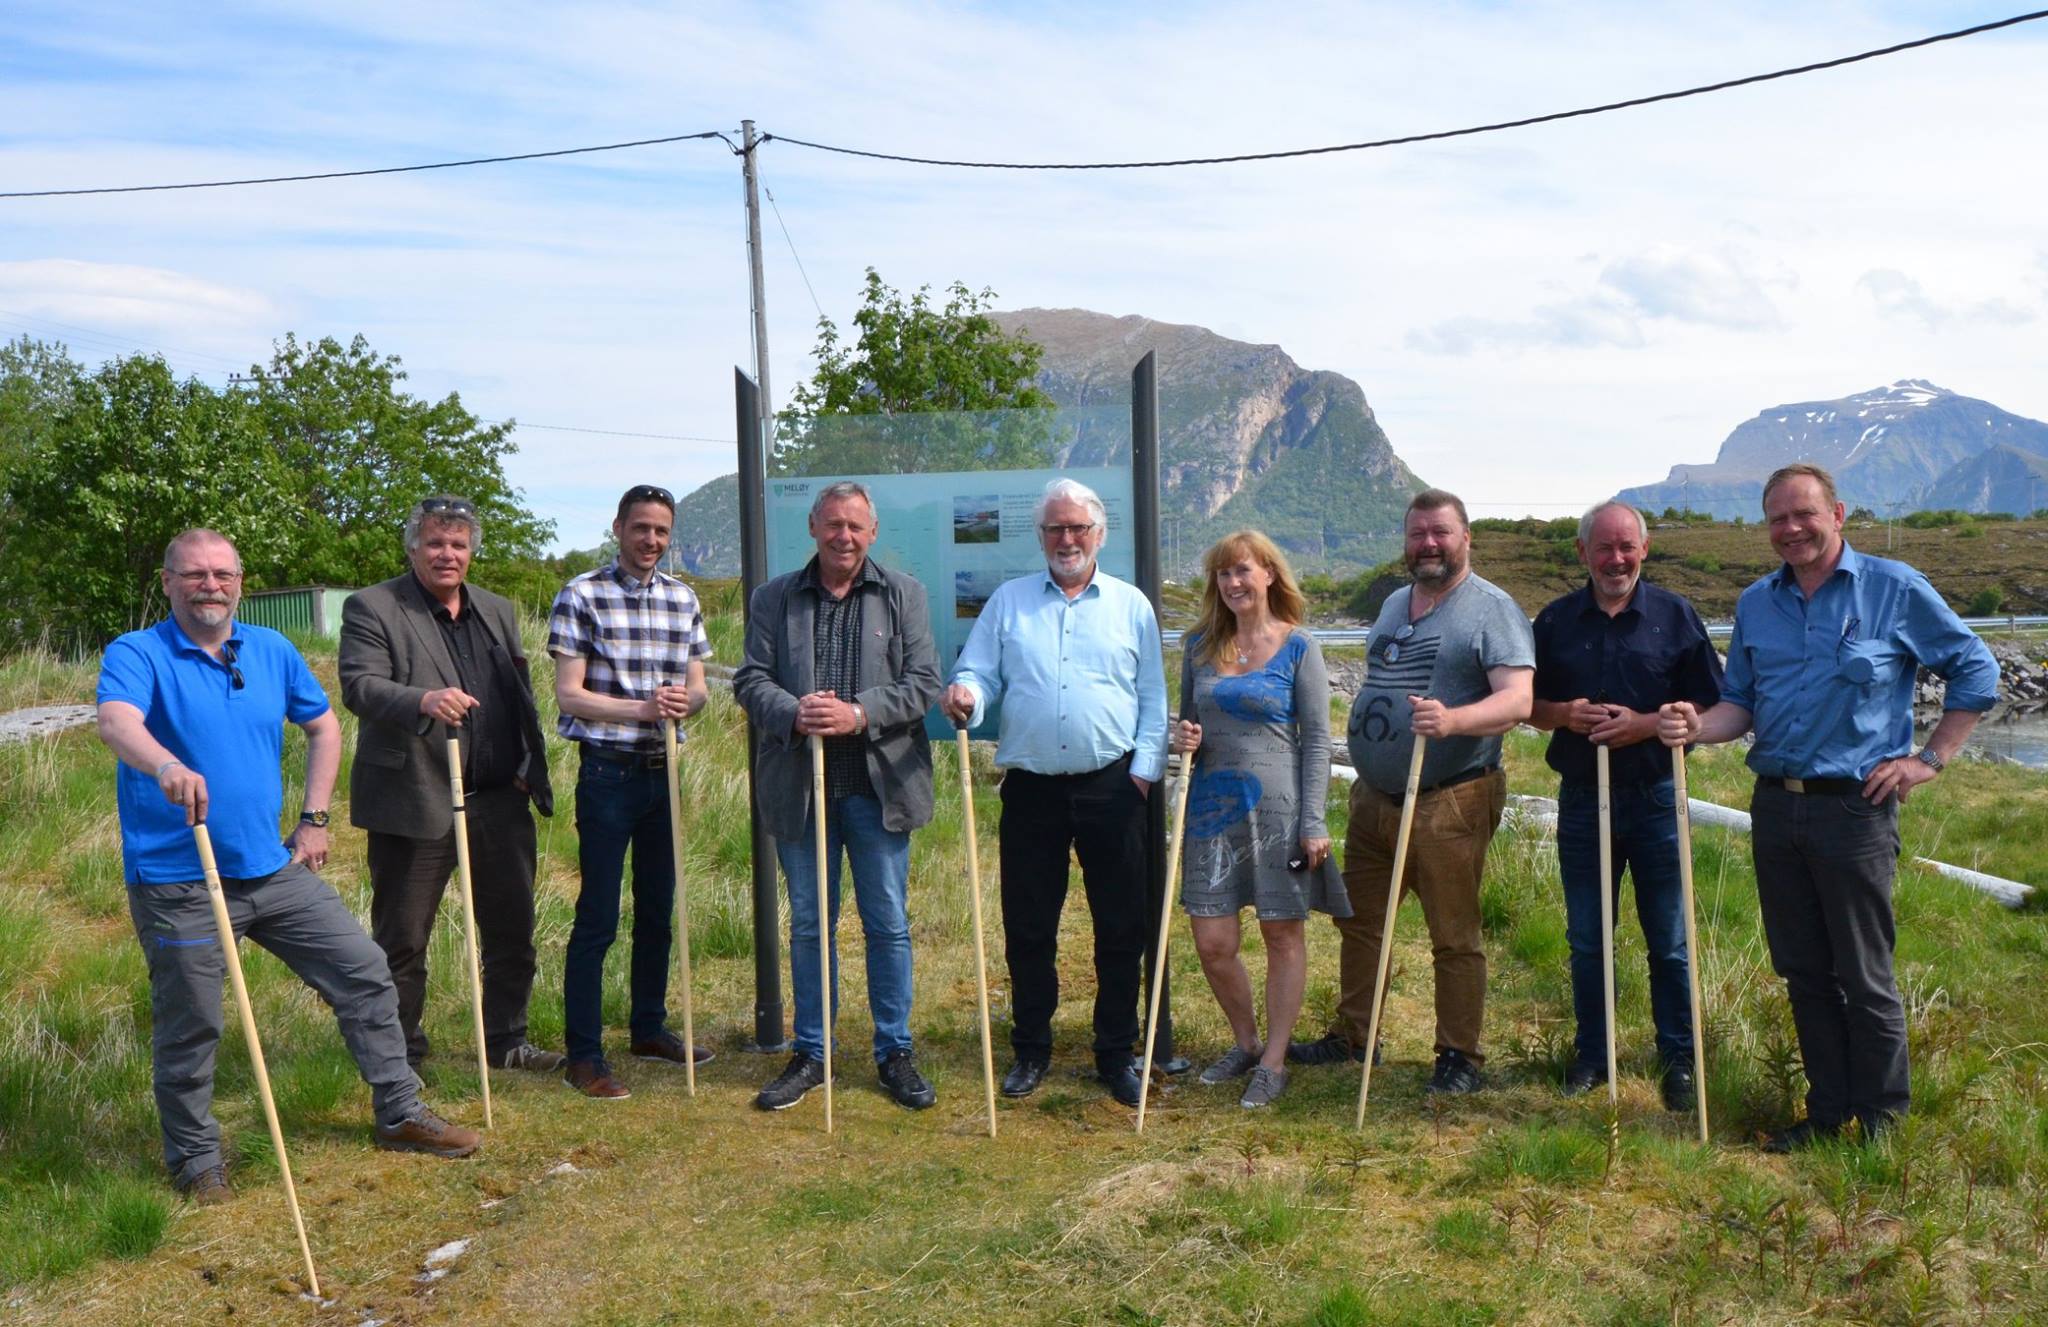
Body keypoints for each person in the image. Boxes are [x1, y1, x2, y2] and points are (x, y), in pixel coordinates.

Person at [96, 529, 479, 1204]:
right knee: (193, 1020)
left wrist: (315, 817)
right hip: (179, 880)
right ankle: (196, 1160)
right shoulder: (138, 652)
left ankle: (399, 1111)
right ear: (168, 582)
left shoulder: (271, 648)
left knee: (364, 970)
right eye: (195, 574)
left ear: (240, 582)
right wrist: (165, 765)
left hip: (271, 869)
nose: (210, 585)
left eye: (222, 573)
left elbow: (324, 726)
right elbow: (116, 723)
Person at [1657, 463, 1997, 1151]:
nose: (1791, 529)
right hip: (1776, 811)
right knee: (1804, 972)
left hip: (1855, 812)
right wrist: (1695, 724)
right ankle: (1826, 1114)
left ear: (1837, 514)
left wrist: (1928, 760)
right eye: (1777, 519)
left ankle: (1881, 1126)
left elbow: (1977, 669)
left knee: (1865, 976)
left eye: (1803, 514)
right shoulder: (1757, 602)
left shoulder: (1894, 588)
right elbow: (1740, 705)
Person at [1292, 489, 1534, 1094]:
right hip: (1375, 796)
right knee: (1359, 922)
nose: (1428, 544)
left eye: (1440, 533)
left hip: (1450, 797)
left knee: (1453, 934)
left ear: (1465, 538)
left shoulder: (1493, 609)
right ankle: (1355, 1036)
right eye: (1417, 533)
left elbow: (1518, 700)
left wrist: (1453, 720)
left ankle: (1459, 1056)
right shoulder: (1395, 603)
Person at [940, 477, 1169, 1108]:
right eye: (1055, 529)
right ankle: (1031, 1048)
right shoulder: (1009, 602)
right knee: (1029, 925)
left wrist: (1143, 774)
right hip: (1032, 791)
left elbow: (1153, 698)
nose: (1067, 539)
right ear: (1040, 536)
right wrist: (967, 694)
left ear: (1099, 534)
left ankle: (1115, 1052)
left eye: (1077, 528)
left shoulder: (1131, 606)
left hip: (1114, 787)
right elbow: (977, 671)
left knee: (1121, 926)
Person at [734, 481, 944, 1112]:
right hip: (801, 790)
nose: (843, 536)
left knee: (887, 923)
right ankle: (812, 1053)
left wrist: (857, 713)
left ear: (872, 532)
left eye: (854, 526)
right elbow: (751, 679)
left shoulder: (905, 594)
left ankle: (894, 1051)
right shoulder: (775, 598)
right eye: (832, 524)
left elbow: (924, 683)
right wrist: (794, 713)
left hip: (881, 790)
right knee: (809, 925)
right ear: (813, 528)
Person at [339, 496, 561, 1079]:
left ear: (471, 552)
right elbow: (360, 686)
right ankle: (401, 1057)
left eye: (458, 544)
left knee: (513, 932)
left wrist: (528, 763)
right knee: (404, 938)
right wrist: (423, 700)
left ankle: (506, 1041)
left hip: (500, 799)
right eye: (435, 543)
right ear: (413, 547)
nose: (447, 554)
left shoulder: (497, 609)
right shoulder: (374, 607)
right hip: (415, 798)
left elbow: (519, 692)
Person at [1530, 501, 1723, 1110]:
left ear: (1645, 549)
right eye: (1604, 548)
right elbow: (1526, 705)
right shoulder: (1554, 621)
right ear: (1582, 553)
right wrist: (1563, 714)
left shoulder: (1676, 615)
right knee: (1589, 938)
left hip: (1658, 798)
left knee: (1669, 940)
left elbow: (1708, 703)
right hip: (1583, 801)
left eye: (1626, 547)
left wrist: (1646, 725)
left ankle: (1679, 1061)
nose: (1616, 559)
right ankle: (1593, 1054)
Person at [1170, 531, 1351, 1110]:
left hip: (1281, 814)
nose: (1233, 583)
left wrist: (1314, 820)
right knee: (1213, 941)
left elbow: (1317, 741)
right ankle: (1246, 1042)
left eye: (1243, 570)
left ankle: (1274, 1061)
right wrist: (1183, 738)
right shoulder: (1198, 645)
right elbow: (1189, 725)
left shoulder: (1300, 646)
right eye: (1223, 574)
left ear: (1270, 574)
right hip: (1211, 813)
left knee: (1281, 934)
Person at [548, 484, 714, 1099]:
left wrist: (684, 703)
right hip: (607, 774)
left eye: (661, 531)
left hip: (663, 772)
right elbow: (570, 694)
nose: (651, 540)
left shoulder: (682, 598)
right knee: (597, 915)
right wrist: (644, 708)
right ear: (618, 528)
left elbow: (699, 688)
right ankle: (584, 1055)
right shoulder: (581, 594)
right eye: (641, 528)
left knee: (657, 910)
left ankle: (648, 1028)